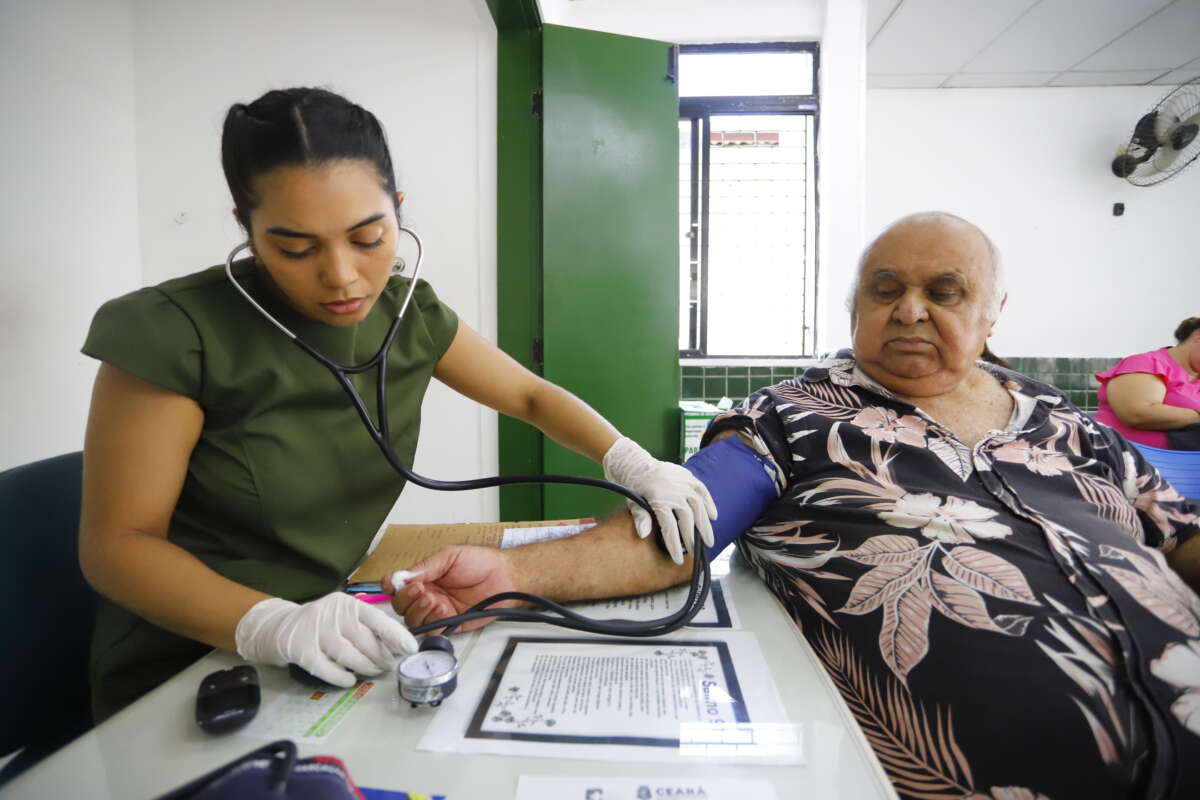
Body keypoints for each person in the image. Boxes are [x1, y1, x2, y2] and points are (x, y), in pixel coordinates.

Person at [388, 212, 1200, 800]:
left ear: (993, 314)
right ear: (852, 306)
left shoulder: (1062, 418)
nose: (911, 309)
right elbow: (679, 526)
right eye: (886, 289)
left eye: (944, 292)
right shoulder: (797, 414)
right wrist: (505, 574)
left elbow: (1181, 535)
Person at [78, 87, 714, 722]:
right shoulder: (173, 332)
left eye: (368, 237)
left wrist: (632, 461)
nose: (343, 276)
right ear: (247, 229)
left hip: (343, 632)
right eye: (295, 249)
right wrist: (267, 624)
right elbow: (118, 545)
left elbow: (528, 394)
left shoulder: (409, 314)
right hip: (195, 660)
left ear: (398, 210)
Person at [1095, 317, 1200, 449]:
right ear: (1198, 335)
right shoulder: (1146, 362)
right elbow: (1137, 414)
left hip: (1185, 465)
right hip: (1123, 456)